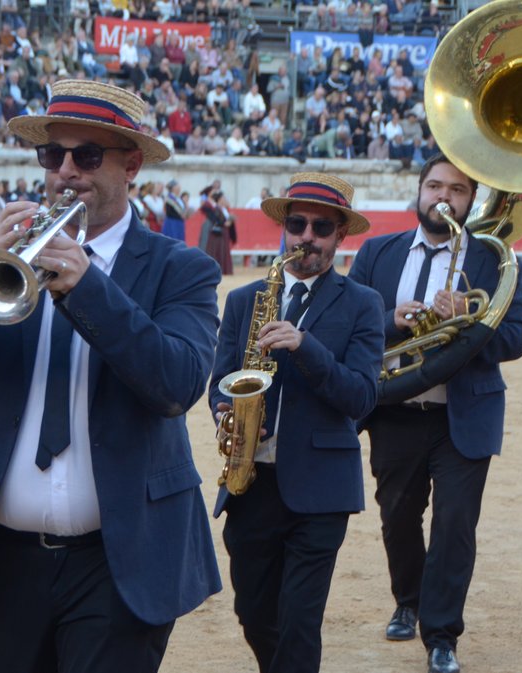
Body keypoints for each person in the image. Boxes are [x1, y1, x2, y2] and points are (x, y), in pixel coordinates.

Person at [0, 79, 223, 673]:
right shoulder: (12, 257)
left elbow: (177, 383)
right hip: (5, 559)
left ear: (131, 167)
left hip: (120, 560)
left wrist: (90, 288)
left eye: (87, 156)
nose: (65, 172)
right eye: (54, 155)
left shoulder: (183, 269)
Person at [347, 153, 522, 673]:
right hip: (395, 409)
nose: (443, 198)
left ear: (472, 201)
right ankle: (408, 600)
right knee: (398, 519)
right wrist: (389, 320)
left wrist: (470, 322)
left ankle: (442, 636)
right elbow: (348, 330)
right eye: (434, 186)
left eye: (456, 190)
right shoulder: (376, 252)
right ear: (419, 190)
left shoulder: (494, 260)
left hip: (464, 417)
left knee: (455, 525)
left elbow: (518, 335)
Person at [208, 173, 385, 673]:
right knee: (254, 612)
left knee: (300, 621)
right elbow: (219, 381)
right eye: (298, 223)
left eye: (321, 227)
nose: (307, 236)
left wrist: (307, 347)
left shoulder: (363, 304)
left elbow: (362, 397)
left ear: (340, 236)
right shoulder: (243, 300)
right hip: (251, 481)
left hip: (322, 490)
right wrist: (226, 410)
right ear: (285, 228)